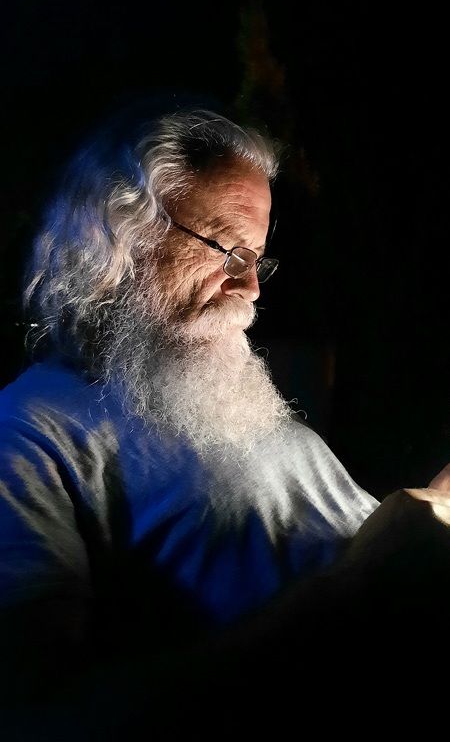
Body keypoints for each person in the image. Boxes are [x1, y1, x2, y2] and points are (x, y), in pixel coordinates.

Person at [1, 100, 449, 737]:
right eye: (227, 249)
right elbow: (40, 718)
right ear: (116, 238)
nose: (251, 288)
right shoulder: (29, 429)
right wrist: (355, 588)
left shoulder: (224, 396)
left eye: (257, 258)